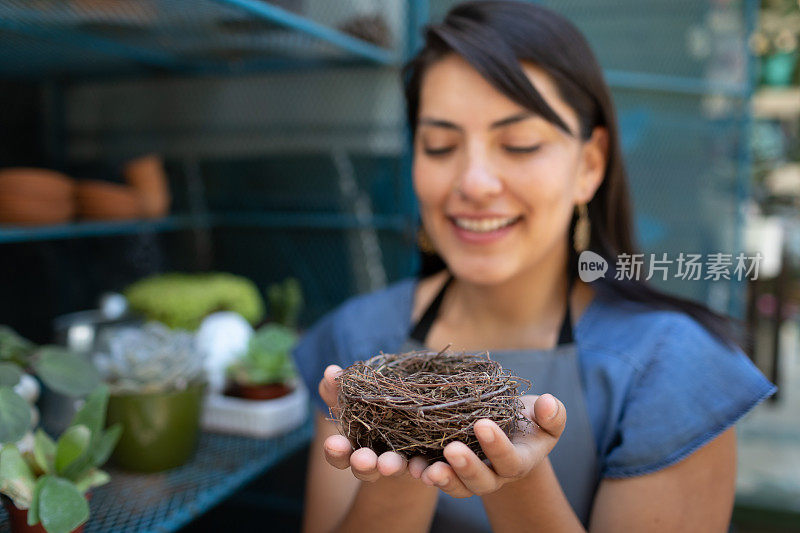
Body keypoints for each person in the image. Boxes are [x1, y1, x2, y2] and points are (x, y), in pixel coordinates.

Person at [295, 2, 776, 531]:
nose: (474, 183)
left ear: (589, 165)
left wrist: (518, 481)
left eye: (519, 144)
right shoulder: (361, 341)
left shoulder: (675, 370)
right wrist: (398, 459)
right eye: (440, 145)